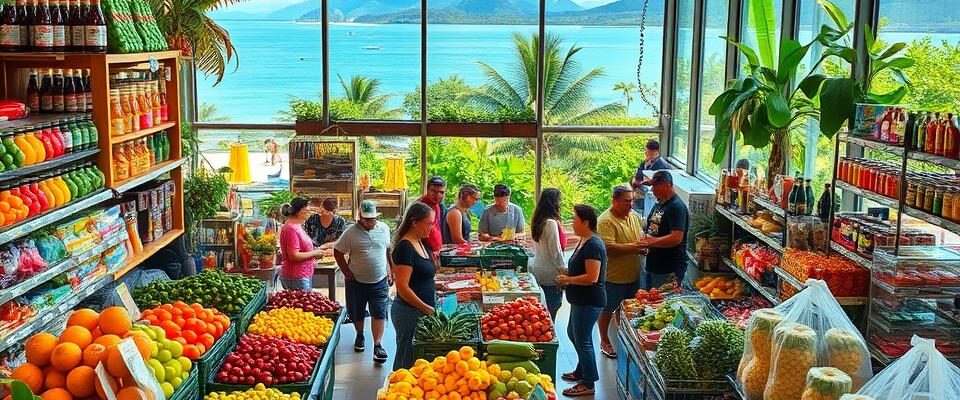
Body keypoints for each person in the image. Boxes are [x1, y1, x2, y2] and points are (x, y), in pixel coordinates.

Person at [556, 205, 606, 397]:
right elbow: (582, 270)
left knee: (583, 339)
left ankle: (588, 381)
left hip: (590, 300)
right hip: (580, 299)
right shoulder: (584, 241)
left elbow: (592, 277)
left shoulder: (593, 244)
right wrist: (569, 274)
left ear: (585, 222)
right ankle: (581, 370)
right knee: (573, 333)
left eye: (575, 218)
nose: (572, 222)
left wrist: (569, 279)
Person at [334, 200, 393, 363]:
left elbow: (388, 250)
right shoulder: (350, 232)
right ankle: (360, 335)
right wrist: (346, 271)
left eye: (371, 219)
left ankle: (378, 345)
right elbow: (338, 252)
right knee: (356, 311)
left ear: (377, 217)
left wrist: (390, 269)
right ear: (359, 217)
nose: (368, 222)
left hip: (379, 280)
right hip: (356, 281)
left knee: (380, 311)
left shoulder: (384, 229)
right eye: (365, 219)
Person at [596, 185, 645, 358]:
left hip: (632, 275)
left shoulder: (632, 217)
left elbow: (640, 235)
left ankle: (624, 337)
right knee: (607, 308)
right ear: (614, 201)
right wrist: (636, 247)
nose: (630, 205)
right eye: (626, 202)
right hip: (613, 276)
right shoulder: (606, 221)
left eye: (632, 201)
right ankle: (604, 340)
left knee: (626, 308)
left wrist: (642, 246)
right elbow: (609, 248)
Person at [390, 202, 438, 370]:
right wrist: (425, 308)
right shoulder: (405, 248)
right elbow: (402, 288)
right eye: (429, 223)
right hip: (409, 313)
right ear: (414, 222)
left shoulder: (421, 242)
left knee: (417, 362)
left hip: (420, 311)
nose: (432, 227)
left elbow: (421, 277)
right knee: (406, 360)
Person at [638, 171, 690, 287]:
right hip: (653, 264)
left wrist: (652, 242)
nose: (652, 189)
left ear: (667, 184)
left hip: (668, 267)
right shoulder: (659, 203)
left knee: (662, 302)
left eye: (655, 185)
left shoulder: (676, 207)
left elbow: (676, 237)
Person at [531, 188, 566, 320]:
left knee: (541, 308)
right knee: (552, 307)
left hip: (538, 268)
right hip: (551, 272)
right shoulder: (550, 223)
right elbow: (555, 251)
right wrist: (564, 269)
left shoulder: (538, 221)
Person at [279, 197, 324, 290]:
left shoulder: (296, 226)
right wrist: (315, 253)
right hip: (296, 276)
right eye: (307, 211)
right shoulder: (291, 229)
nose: (308, 215)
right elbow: (294, 256)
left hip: (302, 274)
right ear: (300, 212)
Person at [630, 139, 671, 214]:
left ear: (653, 152)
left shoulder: (660, 165)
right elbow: (637, 177)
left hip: (649, 195)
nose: (645, 153)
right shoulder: (648, 162)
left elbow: (639, 179)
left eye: (646, 151)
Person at [418, 176, 447, 252]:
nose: (438, 195)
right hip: (423, 251)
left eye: (441, 192)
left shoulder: (438, 206)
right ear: (427, 190)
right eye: (433, 191)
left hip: (435, 252)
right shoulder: (421, 206)